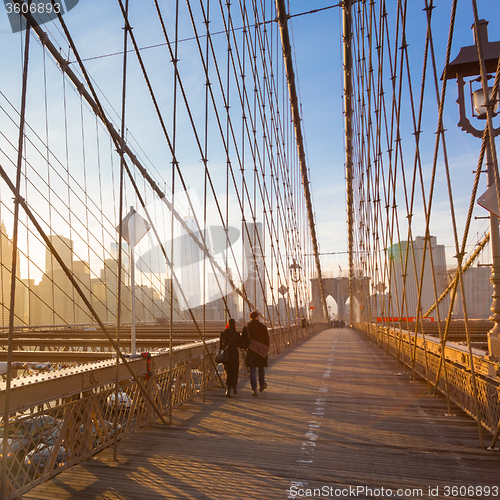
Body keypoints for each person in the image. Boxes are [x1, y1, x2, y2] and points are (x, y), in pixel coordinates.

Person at [242, 310, 270, 397]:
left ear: (250, 317)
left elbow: (244, 340)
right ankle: (262, 384)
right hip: (261, 350)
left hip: (251, 351)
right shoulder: (263, 327)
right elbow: (267, 340)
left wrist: (246, 347)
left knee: (252, 370)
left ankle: (254, 388)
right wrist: (265, 348)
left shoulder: (246, 328)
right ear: (257, 317)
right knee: (261, 368)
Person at [219, 318, 241, 398]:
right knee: (234, 370)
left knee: (227, 370)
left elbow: (221, 345)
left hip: (226, 354)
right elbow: (240, 344)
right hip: (234, 354)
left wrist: (220, 353)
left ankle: (228, 389)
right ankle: (234, 386)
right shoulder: (236, 334)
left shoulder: (223, 333)